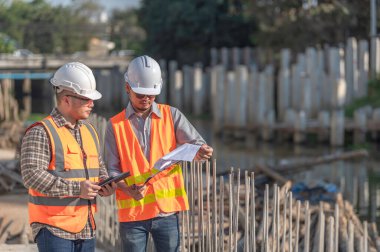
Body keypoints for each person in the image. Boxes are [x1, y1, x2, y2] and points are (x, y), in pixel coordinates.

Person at [105, 55, 213, 252]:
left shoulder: (172, 115)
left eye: (151, 95)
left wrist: (201, 151)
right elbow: (112, 170)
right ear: (127, 88)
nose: (146, 99)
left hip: (167, 212)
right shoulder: (114, 125)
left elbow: (197, 145)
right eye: (140, 94)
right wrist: (128, 189)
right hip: (133, 214)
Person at [20, 62, 116, 252]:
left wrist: (105, 183)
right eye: (86, 99)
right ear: (66, 99)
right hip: (53, 228)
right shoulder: (41, 131)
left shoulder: (90, 131)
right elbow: (31, 175)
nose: (92, 104)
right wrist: (76, 188)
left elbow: (99, 168)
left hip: (86, 227)